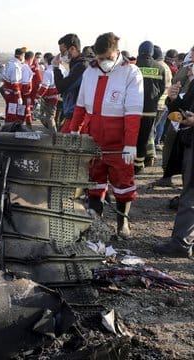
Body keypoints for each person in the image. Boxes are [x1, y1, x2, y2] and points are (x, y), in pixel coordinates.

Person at [62, 32, 144, 239]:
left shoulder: (131, 73)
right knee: (95, 179)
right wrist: (74, 130)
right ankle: (94, 219)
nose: (103, 62)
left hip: (119, 138)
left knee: (123, 182)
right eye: (99, 58)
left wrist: (131, 144)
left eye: (107, 57)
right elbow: (80, 106)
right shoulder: (90, 72)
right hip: (94, 136)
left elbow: (133, 113)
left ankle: (122, 222)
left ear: (116, 52)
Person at [153, 79, 194, 257]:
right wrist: (173, 99)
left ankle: (181, 244)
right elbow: (184, 107)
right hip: (189, 140)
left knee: (191, 195)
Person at [133, 41, 165, 174]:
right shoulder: (160, 67)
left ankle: (129, 163)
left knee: (131, 135)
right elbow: (162, 88)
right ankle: (139, 164)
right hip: (150, 109)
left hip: (133, 109)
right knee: (144, 137)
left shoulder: (134, 66)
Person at [54, 34, 88, 132]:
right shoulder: (76, 64)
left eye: (63, 51)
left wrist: (56, 68)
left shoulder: (81, 67)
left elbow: (62, 87)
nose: (61, 55)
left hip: (77, 115)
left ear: (72, 49)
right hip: (72, 114)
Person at [35, 53, 61, 133]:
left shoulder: (48, 72)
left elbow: (44, 87)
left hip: (50, 98)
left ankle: (53, 134)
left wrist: (38, 96)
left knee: (49, 117)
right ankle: (52, 132)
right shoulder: (59, 70)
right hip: (56, 96)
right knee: (52, 116)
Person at [1, 48, 24, 123]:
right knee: (12, 111)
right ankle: (10, 128)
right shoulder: (15, 66)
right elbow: (15, 83)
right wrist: (19, 96)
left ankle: (8, 124)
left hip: (8, 91)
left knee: (9, 110)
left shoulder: (9, 63)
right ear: (21, 56)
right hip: (13, 93)